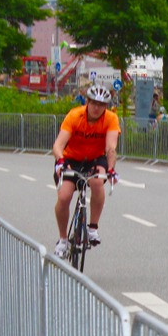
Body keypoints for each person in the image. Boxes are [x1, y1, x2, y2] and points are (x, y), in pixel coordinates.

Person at [52, 84, 120, 257]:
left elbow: (111, 148)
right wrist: (60, 160)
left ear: (106, 106)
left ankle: (92, 228)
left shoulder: (111, 119)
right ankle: (62, 240)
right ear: (87, 102)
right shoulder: (75, 115)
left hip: (95, 159)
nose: (97, 108)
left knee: (97, 181)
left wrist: (111, 169)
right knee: (64, 196)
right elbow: (58, 144)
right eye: (94, 103)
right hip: (71, 159)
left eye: (102, 104)